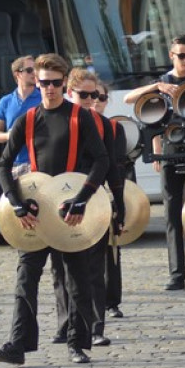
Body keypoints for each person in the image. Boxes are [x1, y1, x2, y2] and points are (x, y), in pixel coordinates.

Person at [0, 53, 111, 366]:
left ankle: (76, 343)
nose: (50, 88)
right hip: (35, 211)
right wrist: (16, 203)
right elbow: (3, 164)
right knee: (25, 280)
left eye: (56, 83)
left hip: (69, 210)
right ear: (36, 82)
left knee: (76, 281)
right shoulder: (27, 119)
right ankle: (18, 344)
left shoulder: (79, 117)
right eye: (44, 83)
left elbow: (102, 160)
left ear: (63, 82)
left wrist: (83, 197)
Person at [123, 35, 185, 290]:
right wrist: (154, 88)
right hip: (170, 150)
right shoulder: (163, 81)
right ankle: (177, 274)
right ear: (172, 56)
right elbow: (129, 99)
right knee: (172, 214)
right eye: (181, 56)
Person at [51, 69, 126, 348]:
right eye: (83, 95)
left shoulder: (103, 125)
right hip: (58, 199)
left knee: (94, 267)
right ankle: (64, 325)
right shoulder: (58, 120)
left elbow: (111, 168)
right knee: (60, 267)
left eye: (94, 95)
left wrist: (119, 206)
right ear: (69, 92)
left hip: (93, 198)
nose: (89, 100)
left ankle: (95, 327)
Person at [94, 81, 128, 319]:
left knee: (111, 249)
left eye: (102, 97)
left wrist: (119, 200)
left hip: (106, 192)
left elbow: (119, 166)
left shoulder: (115, 129)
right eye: (92, 96)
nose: (96, 101)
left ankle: (112, 301)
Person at [0, 55, 42, 177]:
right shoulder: (5, 101)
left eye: (36, 69)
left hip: (38, 163)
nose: (34, 73)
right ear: (17, 74)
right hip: (14, 164)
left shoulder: (43, 98)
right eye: (29, 70)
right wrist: (10, 135)